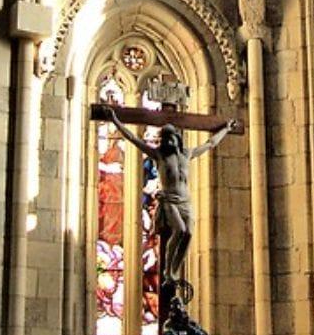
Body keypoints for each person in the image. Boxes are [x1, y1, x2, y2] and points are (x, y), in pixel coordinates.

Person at [99, 106, 237, 296]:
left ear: (177, 138)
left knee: (188, 234)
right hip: (170, 200)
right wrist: (115, 121)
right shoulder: (159, 155)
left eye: (173, 136)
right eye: (167, 137)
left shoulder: (187, 154)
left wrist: (226, 129)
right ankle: (168, 272)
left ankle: (175, 270)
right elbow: (133, 139)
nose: (170, 140)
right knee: (179, 230)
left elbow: (210, 144)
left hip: (185, 201)